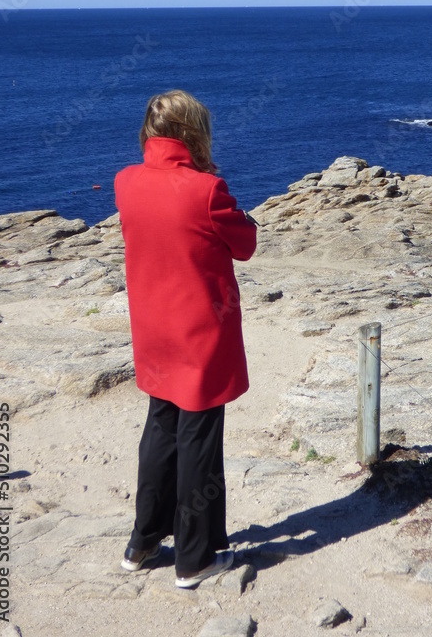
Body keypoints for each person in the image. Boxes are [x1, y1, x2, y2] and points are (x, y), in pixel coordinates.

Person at [114, 89, 257, 587]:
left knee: (160, 429)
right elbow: (246, 245)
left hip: (154, 331)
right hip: (199, 333)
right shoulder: (205, 190)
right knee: (198, 438)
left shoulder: (125, 182)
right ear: (193, 134)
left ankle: (144, 540)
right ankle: (194, 558)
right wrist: (217, 186)